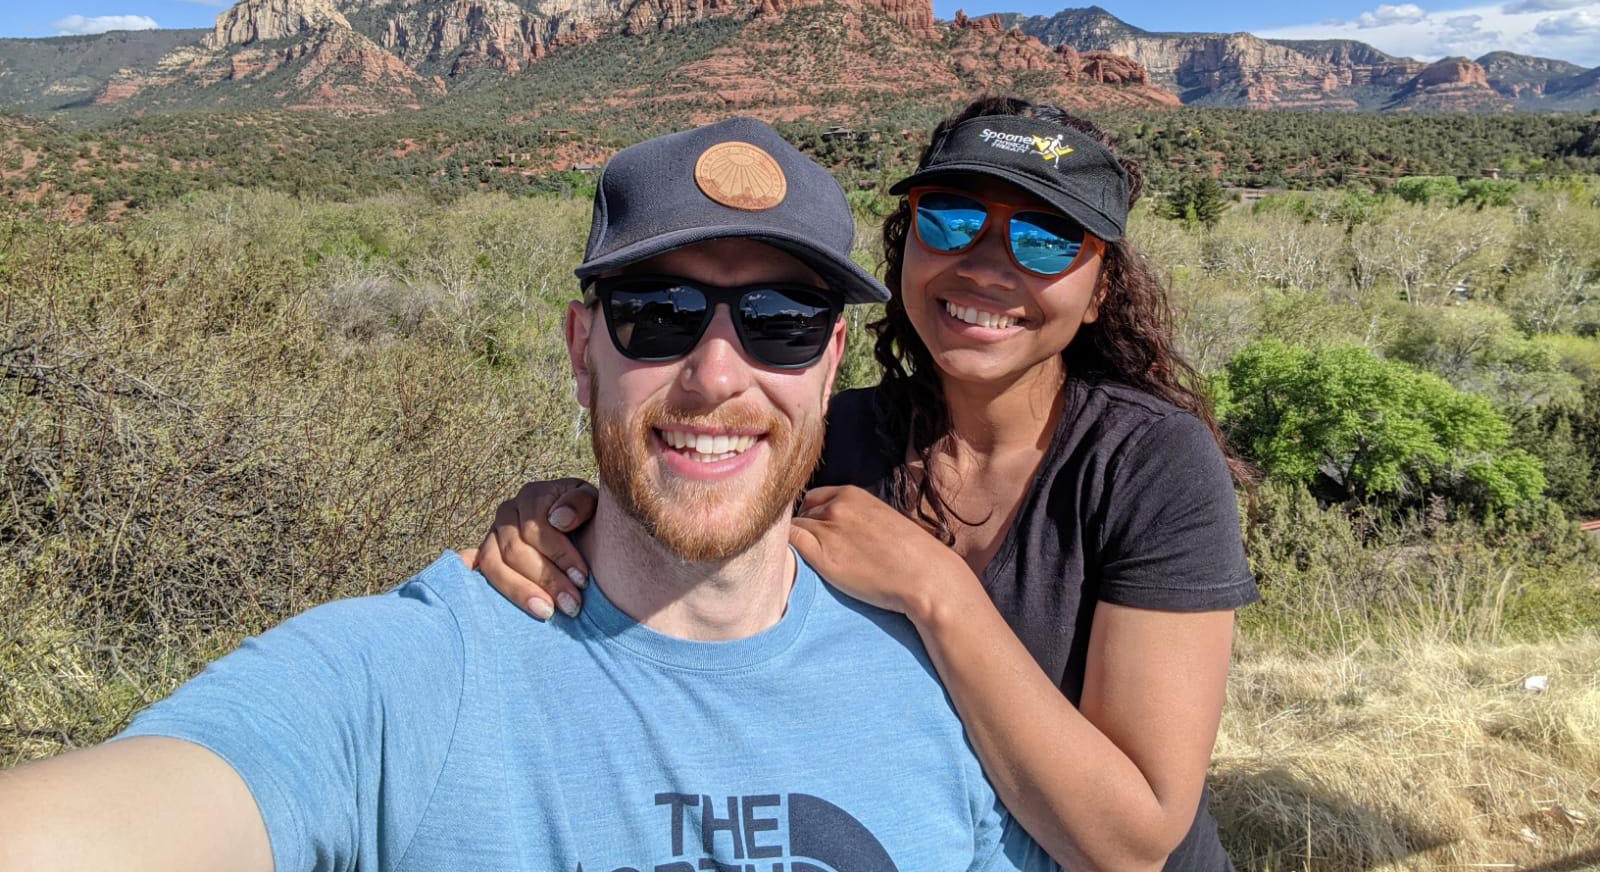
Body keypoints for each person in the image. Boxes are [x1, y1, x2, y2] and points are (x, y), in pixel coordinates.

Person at [0, 117, 1052, 872]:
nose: (717, 375)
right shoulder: (419, 677)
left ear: (830, 364)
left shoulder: (933, 680)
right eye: (659, 311)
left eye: (777, 321)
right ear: (579, 350)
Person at [471, 97, 1261, 872]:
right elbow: (683, 530)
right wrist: (560, 523)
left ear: (1099, 293)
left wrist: (937, 591)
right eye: (949, 218)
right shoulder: (826, 439)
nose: (987, 265)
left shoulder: (1149, 464)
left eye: (1047, 240)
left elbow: (1131, 844)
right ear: (905, 243)